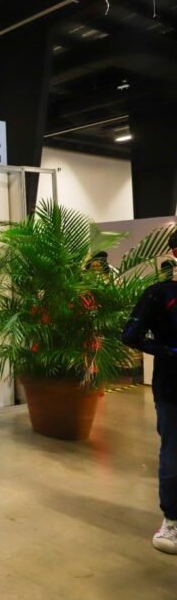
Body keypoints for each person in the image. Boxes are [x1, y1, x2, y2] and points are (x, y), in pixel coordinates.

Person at [121, 231, 177, 554]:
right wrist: (169, 351)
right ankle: (172, 520)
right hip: (172, 387)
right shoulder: (159, 294)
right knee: (174, 452)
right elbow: (131, 334)